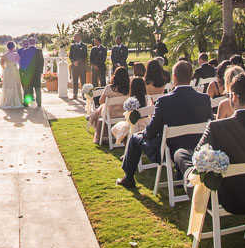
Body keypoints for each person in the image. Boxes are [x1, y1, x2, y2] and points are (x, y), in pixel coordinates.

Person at [175, 72, 245, 215]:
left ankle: (190, 187)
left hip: (222, 195)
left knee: (181, 154)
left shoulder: (216, 127)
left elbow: (198, 156)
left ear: (233, 96)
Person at [117, 61, 212, 190]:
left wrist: (143, 134)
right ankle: (180, 175)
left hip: (169, 149)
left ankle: (128, 178)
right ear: (190, 77)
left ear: (174, 77)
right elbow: (210, 126)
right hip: (196, 146)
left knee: (134, 138)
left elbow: (151, 132)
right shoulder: (204, 98)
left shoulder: (164, 101)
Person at [110, 76, 150, 145]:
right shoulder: (148, 98)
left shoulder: (131, 100)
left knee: (118, 129)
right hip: (147, 123)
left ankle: (128, 146)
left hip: (134, 124)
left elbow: (129, 116)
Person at [88, 66, 130, 131]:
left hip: (111, 115)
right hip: (125, 115)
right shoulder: (130, 89)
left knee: (100, 109)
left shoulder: (109, 88)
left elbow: (101, 101)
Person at [0, 41, 24, 109]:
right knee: (15, 84)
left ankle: (7, 101)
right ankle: (17, 101)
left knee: (7, 85)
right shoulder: (16, 55)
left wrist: (6, 68)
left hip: (7, 70)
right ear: (13, 47)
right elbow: (20, 63)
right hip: (14, 70)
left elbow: (1, 64)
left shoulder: (4, 55)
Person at [20, 38, 43, 108]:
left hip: (28, 74)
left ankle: (26, 103)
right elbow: (42, 62)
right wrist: (40, 72)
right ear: (35, 42)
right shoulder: (39, 51)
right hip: (37, 73)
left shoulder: (25, 52)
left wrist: (22, 72)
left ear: (29, 43)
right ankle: (39, 103)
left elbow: (22, 63)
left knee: (27, 89)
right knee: (38, 88)